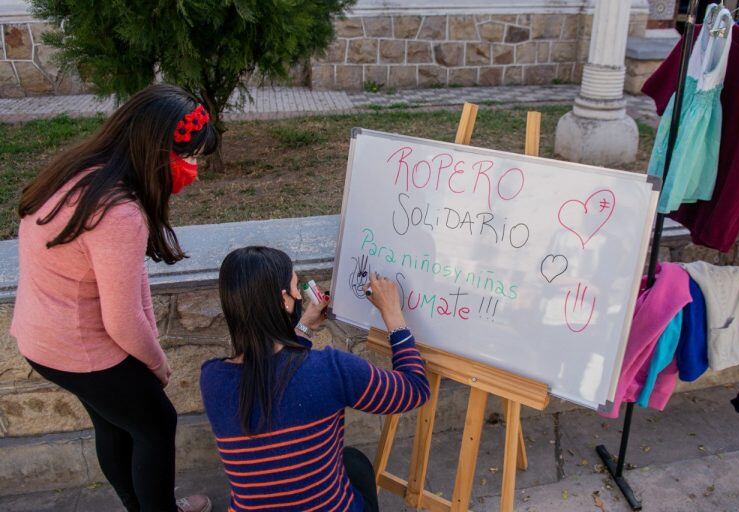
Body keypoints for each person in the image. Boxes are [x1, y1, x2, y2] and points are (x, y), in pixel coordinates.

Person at [11, 84, 217, 512]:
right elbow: (121, 320)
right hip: (79, 348)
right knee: (157, 424)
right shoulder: (118, 211)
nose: (194, 168)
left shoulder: (83, 172)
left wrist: (148, 349)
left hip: (44, 339)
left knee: (114, 425)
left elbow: (129, 277)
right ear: (157, 152)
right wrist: (156, 363)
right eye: (190, 156)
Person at [200, 246, 431, 511]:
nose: (300, 295)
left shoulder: (212, 379)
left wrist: (303, 327)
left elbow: (276, 370)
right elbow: (415, 388)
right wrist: (392, 313)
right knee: (356, 464)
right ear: (284, 300)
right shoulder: (330, 370)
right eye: (296, 287)